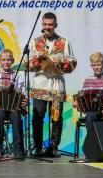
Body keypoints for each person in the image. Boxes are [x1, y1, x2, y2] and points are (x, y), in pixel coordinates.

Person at [28, 12, 77, 157]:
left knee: (56, 117)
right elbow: (28, 64)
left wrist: (61, 63)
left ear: (55, 25)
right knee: (37, 117)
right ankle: (37, 148)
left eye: (50, 24)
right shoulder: (34, 42)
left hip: (56, 84)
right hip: (40, 84)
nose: (47, 27)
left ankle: (54, 147)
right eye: (45, 24)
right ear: (42, 25)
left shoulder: (64, 42)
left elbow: (72, 63)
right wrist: (39, 60)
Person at [0, 49, 27, 161]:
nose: (6, 62)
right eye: (4, 60)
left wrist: (24, 100)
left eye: (8, 59)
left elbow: (24, 93)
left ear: (12, 61)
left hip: (13, 108)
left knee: (16, 117)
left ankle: (18, 150)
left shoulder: (18, 76)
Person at [74, 52, 103, 131]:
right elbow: (82, 99)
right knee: (90, 116)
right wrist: (77, 103)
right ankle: (92, 140)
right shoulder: (88, 80)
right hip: (93, 112)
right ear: (91, 66)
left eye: (99, 64)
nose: (96, 67)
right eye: (94, 65)